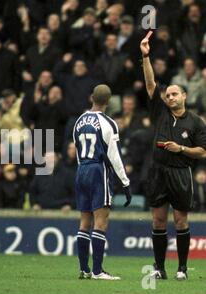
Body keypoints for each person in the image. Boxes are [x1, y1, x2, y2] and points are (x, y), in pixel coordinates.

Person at [141, 34, 206, 280]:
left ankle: (182, 268)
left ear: (184, 97)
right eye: (167, 95)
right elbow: (150, 84)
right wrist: (145, 56)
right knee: (158, 221)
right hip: (158, 171)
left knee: (180, 221)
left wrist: (181, 149)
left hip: (181, 172)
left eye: (174, 94)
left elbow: (203, 151)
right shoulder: (160, 112)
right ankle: (159, 268)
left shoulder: (196, 122)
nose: (170, 97)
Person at [73, 84, 131, 280]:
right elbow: (115, 157)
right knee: (101, 221)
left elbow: (77, 150)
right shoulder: (109, 123)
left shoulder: (79, 121)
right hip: (98, 171)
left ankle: (83, 269)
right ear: (108, 101)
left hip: (81, 169)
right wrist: (125, 182)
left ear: (92, 98)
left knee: (84, 222)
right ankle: (97, 271)